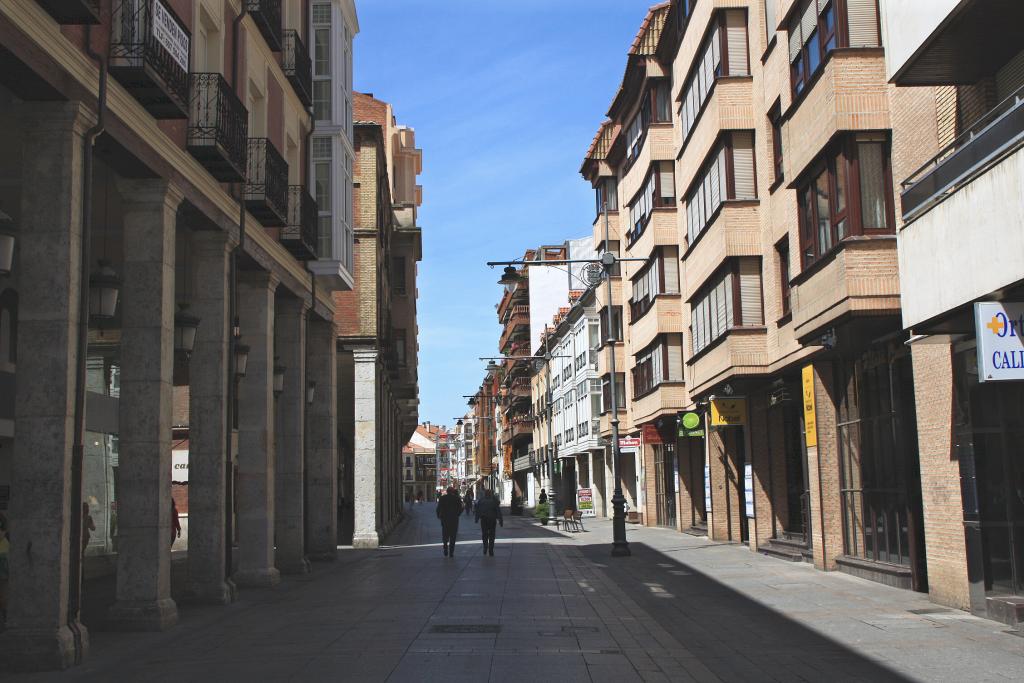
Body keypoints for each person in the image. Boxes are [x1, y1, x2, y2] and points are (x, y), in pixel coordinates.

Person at [475, 489, 503, 556]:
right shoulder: (493, 500)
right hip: (492, 520)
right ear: (490, 494)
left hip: (484, 519)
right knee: (492, 535)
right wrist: (500, 520)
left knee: (484, 534)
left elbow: (478, 510)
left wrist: (477, 518)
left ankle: (485, 547)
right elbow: (498, 510)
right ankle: (490, 549)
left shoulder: (481, 500)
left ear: (485, 494)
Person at [435, 486, 463, 557]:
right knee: (453, 536)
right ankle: (451, 552)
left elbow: (438, 508)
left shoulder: (442, 498)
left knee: (445, 535)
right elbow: (461, 508)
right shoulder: (457, 498)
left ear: (447, 491)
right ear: (453, 491)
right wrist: (457, 514)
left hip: (445, 519)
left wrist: (439, 516)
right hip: (454, 520)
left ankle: (445, 547)